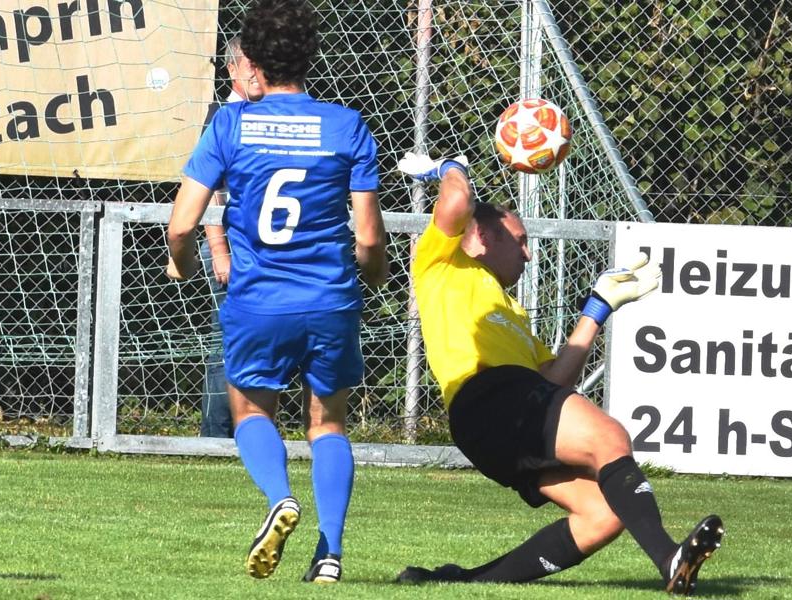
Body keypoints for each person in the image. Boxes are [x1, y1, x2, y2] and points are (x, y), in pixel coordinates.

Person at [393, 152, 723, 596]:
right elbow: (456, 201)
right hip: (489, 398)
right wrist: (449, 166)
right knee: (609, 437)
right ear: (486, 234)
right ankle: (669, 558)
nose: (529, 254)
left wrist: (598, 307)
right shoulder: (444, 262)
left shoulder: (511, 311)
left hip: (493, 420)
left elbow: (552, 381)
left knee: (603, 515)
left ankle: (464, 581)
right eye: (521, 240)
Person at [166, 0, 388, 584]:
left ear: (254, 64)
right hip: (328, 298)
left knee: (250, 412)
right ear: (310, 57)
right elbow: (367, 237)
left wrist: (182, 261)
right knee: (328, 423)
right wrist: (375, 275)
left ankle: (278, 498)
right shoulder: (347, 126)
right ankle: (331, 553)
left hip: (258, 299)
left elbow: (182, 223)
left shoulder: (231, 123)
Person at [198, 34, 265, 439]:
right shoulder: (222, 117)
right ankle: (216, 436)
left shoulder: (274, 115)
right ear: (233, 69)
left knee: (268, 340)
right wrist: (219, 250)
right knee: (227, 344)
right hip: (234, 249)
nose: (257, 72)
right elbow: (205, 189)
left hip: (269, 248)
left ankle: (255, 432)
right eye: (249, 63)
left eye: (263, 63)